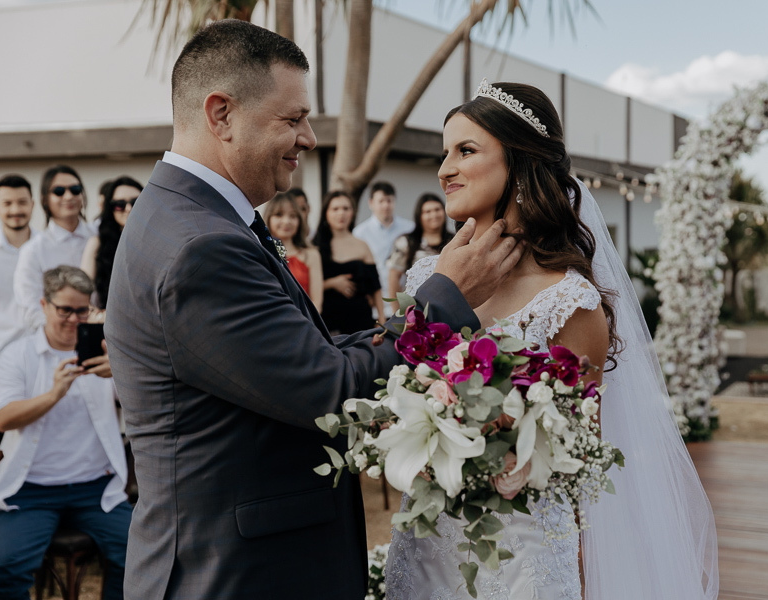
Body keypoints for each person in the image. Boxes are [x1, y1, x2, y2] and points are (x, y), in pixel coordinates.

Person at [103, 21, 522, 599]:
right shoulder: (201, 248)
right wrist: (445, 299)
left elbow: (307, 354)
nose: (308, 138)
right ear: (221, 114)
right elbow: (329, 389)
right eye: (293, 118)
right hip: (237, 575)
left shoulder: (189, 219)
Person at [386, 80, 719, 599]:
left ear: (519, 164)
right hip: (426, 534)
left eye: (465, 150)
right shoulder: (424, 282)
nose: (444, 168)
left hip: (521, 557)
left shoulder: (569, 303)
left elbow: (578, 462)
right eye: (443, 152)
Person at [0, 266, 130, 600]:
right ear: (44, 305)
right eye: (65, 310)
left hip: (97, 489)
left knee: (140, 559)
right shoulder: (18, 354)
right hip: (30, 491)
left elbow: (147, 408)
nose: (74, 319)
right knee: (4, 566)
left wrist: (122, 375)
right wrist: (53, 395)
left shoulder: (109, 352)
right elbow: (3, 419)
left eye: (81, 310)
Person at [14, 165, 94, 331]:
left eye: (75, 189)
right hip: (57, 339)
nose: (68, 196)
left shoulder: (100, 237)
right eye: (59, 191)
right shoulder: (33, 250)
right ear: (45, 199)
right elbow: (30, 306)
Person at [313, 190, 383, 334]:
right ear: (326, 212)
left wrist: (382, 321)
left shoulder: (362, 245)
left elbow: (375, 286)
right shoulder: (314, 246)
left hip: (360, 321)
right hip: (327, 323)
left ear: (353, 212)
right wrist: (332, 283)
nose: (341, 213)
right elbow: (304, 285)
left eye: (346, 208)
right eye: (335, 209)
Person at [80, 176, 142, 311]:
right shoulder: (96, 243)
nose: (129, 208)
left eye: (136, 202)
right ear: (110, 207)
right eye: (120, 204)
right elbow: (81, 294)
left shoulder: (158, 241)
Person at [352, 181, 413, 316]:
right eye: (381, 201)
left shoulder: (409, 229)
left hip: (405, 304)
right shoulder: (359, 233)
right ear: (371, 203)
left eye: (389, 201)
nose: (386, 205)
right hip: (374, 306)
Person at [386, 192, 453, 309]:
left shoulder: (454, 241)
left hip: (449, 307)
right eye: (428, 212)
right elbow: (394, 277)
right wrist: (397, 312)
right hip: (415, 309)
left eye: (437, 209)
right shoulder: (406, 242)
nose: (434, 215)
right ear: (419, 216)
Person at [0, 175, 38, 355]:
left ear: (32, 204)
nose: (16, 210)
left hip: (42, 352)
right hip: (1, 353)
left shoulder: (46, 248)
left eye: (22, 202)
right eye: (7, 203)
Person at [263, 189, 323, 310]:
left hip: (305, 323)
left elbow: (317, 303)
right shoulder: (260, 252)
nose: (286, 221)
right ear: (268, 217)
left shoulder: (311, 254)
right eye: (279, 214)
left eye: (293, 216)